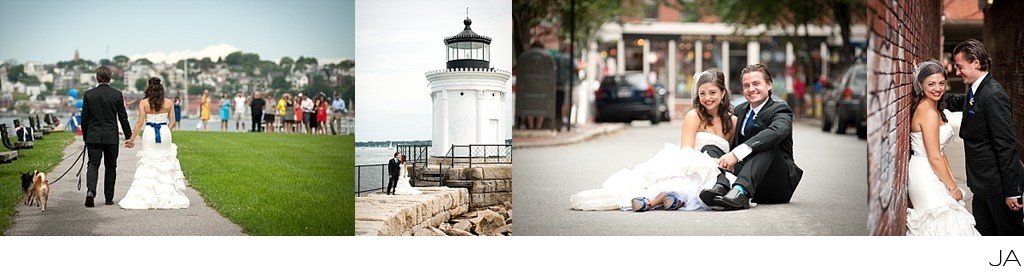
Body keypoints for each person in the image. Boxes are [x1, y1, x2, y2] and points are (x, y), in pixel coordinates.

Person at [570, 69, 736, 211]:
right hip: (690, 162)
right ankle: (653, 200)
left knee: (710, 176)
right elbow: (687, 152)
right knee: (694, 173)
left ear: (722, 93)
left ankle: (673, 199)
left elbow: (730, 151)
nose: (707, 98)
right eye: (702, 93)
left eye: (712, 92)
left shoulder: (733, 121)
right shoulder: (694, 116)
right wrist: (707, 164)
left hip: (718, 167)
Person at [945, 39, 1024, 236]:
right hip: (981, 184)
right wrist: (928, 87)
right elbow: (957, 102)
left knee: (1009, 234)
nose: (958, 72)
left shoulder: (993, 95)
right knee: (983, 233)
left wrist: (1012, 191)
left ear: (976, 63)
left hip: (998, 186)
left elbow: (1006, 145)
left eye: (960, 66)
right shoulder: (976, 90)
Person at [705, 64, 802, 210]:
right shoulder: (739, 110)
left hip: (776, 184)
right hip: (749, 178)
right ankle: (721, 186)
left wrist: (736, 154)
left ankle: (740, 192)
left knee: (767, 144)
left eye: (756, 84)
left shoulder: (780, 109)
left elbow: (778, 131)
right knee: (711, 147)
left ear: (769, 85)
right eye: (746, 85)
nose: (751, 89)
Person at [905, 60, 980, 236]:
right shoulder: (928, 113)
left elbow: (940, 152)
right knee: (942, 225)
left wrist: (950, 180)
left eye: (941, 83)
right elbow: (934, 157)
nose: (937, 88)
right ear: (920, 85)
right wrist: (953, 188)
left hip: (933, 170)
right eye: (931, 84)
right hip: (925, 174)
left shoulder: (934, 108)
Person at [118, 77, 190, 209]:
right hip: (164, 132)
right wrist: (165, 131)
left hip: (150, 133)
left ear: (148, 88)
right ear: (162, 89)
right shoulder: (169, 103)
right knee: (165, 160)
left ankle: (146, 195)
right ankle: (167, 195)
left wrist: (132, 139)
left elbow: (139, 123)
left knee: (149, 160)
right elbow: (173, 122)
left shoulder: (143, 103)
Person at [80, 65, 133, 207]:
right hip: (111, 137)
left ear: (97, 77)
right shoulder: (117, 94)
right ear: (110, 78)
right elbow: (123, 117)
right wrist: (129, 136)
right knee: (111, 167)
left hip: (93, 136)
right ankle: (109, 198)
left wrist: (86, 136)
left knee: (93, 164)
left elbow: (84, 119)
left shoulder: (89, 94)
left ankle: (90, 192)